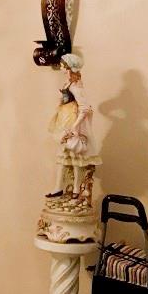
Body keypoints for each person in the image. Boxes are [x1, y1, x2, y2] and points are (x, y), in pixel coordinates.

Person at [46, 53, 101, 198]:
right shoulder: (68, 84)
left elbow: (85, 108)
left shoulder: (76, 87)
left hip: (71, 123)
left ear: (69, 68)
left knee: (76, 158)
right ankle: (58, 187)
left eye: (63, 65)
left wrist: (75, 127)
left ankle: (76, 188)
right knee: (62, 157)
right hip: (64, 121)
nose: (61, 67)